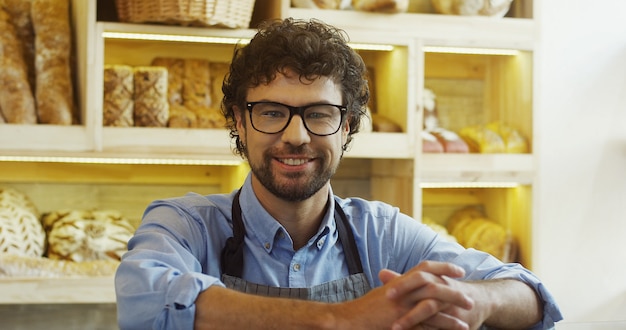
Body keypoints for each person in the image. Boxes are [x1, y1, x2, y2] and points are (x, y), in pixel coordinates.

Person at [115, 18, 563, 330]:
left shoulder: (383, 234)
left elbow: (532, 296)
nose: (295, 135)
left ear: (347, 125)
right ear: (238, 121)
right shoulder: (186, 224)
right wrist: (342, 319)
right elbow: (144, 300)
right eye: (271, 113)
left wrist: (478, 302)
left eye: (319, 114)